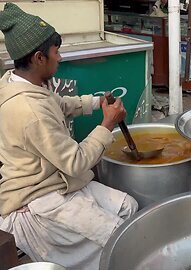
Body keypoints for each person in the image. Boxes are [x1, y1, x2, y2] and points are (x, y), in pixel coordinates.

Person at [0, 3, 138, 269]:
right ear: (39, 58)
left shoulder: (24, 82)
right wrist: (107, 124)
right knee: (120, 239)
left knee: (128, 208)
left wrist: (97, 103)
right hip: (38, 197)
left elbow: (59, 104)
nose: (60, 58)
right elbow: (75, 162)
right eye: (56, 52)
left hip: (62, 180)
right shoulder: (29, 111)